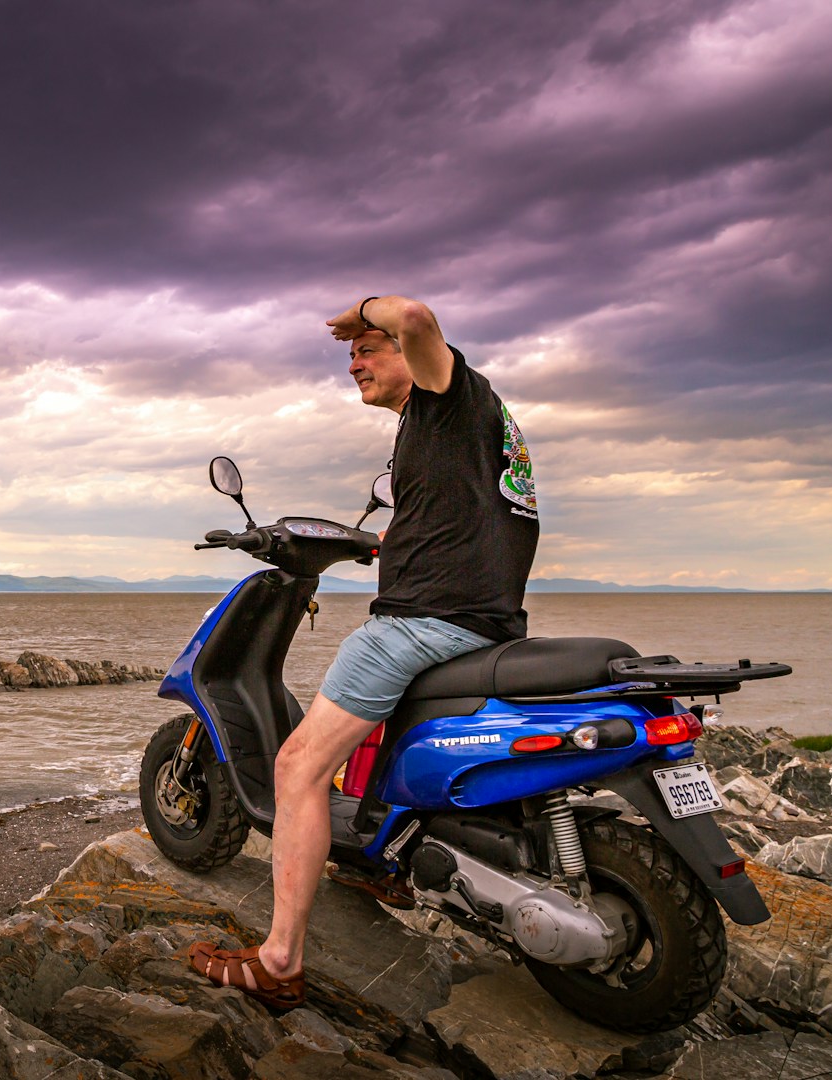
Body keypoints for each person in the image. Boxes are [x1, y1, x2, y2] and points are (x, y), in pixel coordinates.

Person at [188, 295, 540, 1008]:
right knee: (370, 737)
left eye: (365, 350)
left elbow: (414, 316)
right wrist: (373, 543)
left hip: (424, 622)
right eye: (352, 352)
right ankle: (379, 860)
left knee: (297, 762)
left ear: (409, 355)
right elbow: (457, 518)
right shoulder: (463, 424)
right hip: (485, 620)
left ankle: (279, 958)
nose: (353, 362)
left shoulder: (448, 394)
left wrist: (361, 312)